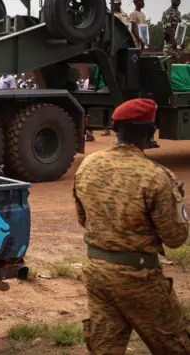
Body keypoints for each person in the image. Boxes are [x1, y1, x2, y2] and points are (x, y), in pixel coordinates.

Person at [74, 98, 190, 354]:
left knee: (105, 348)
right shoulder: (157, 176)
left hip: (97, 272)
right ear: (151, 131)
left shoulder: (88, 166)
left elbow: (84, 219)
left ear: (115, 129)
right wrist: (176, 200)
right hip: (138, 277)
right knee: (176, 346)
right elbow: (175, 238)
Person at [162, 0, 183, 64]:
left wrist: (180, 41)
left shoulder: (178, 13)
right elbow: (168, 28)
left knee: (177, 64)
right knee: (167, 65)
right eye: (177, 0)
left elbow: (180, 28)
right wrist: (174, 40)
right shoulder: (168, 12)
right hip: (169, 44)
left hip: (177, 43)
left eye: (179, 0)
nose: (178, 2)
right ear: (172, 0)